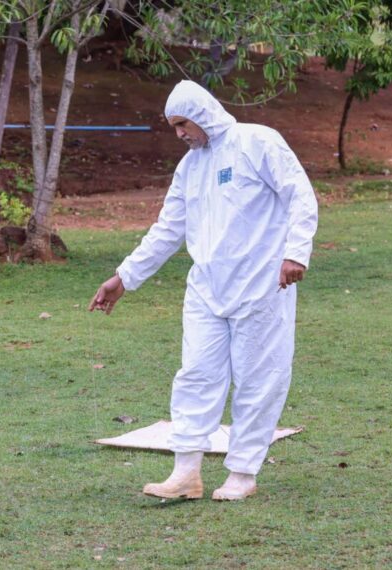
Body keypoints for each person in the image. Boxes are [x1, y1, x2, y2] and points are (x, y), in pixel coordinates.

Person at [89, 80, 318, 501]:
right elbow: (168, 229)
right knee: (195, 375)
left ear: (204, 114)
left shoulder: (258, 141)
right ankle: (186, 472)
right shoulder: (189, 167)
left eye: (183, 123)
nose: (179, 134)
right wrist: (125, 277)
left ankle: (243, 473)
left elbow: (300, 196)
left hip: (262, 285)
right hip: (207, 289)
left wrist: (295, 253)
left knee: (257, 378)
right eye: (174, 126)